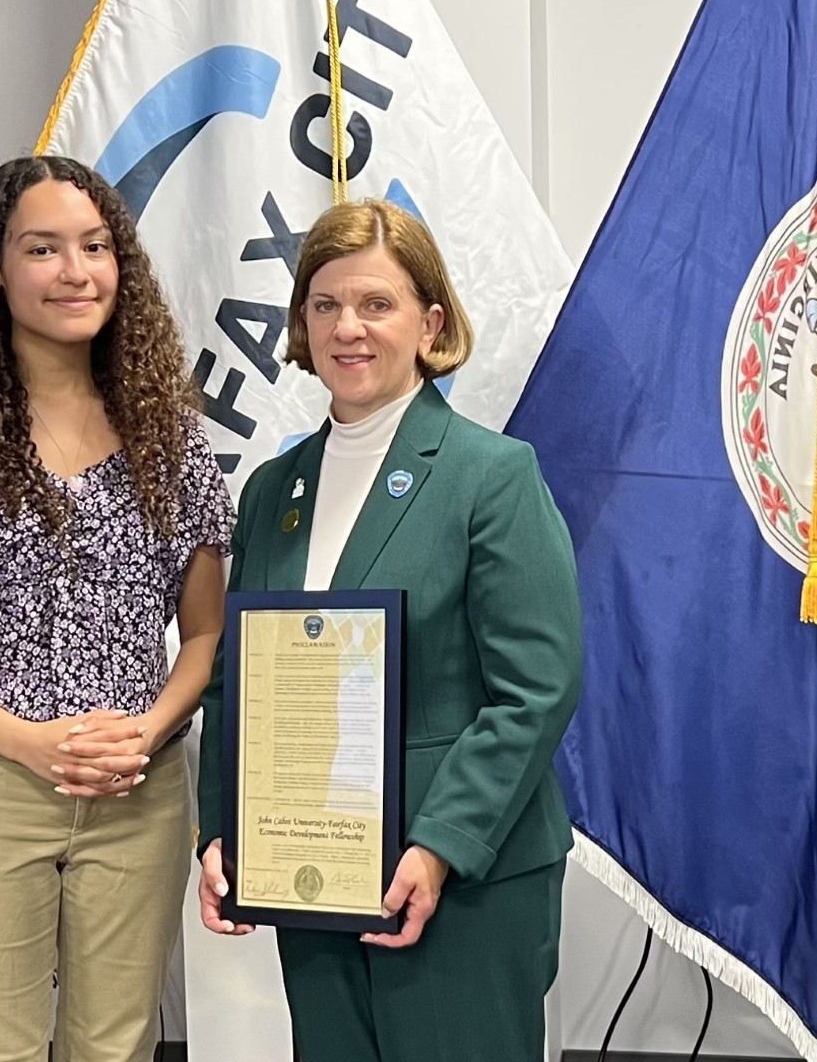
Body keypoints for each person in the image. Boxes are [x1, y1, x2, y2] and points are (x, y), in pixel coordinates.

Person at [0, 155, 233, 1062]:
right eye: (43, 248)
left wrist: (145, 731)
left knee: (117, 1048)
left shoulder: (170, 429)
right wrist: (33, 742)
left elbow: (210, 630)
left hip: (138, 792)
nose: (75, 271)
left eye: (95, 246)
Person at [195, 198, 582, 1061]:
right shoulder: (271, 488)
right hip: (312, 872)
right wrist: (223, 831)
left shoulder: (492, 475)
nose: (348, 328)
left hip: (459, 882)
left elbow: (538, 689)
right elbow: (237, 682)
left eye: (377, 304)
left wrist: (442, 846)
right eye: (325, 305)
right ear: (301, 322)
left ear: (429, 321)